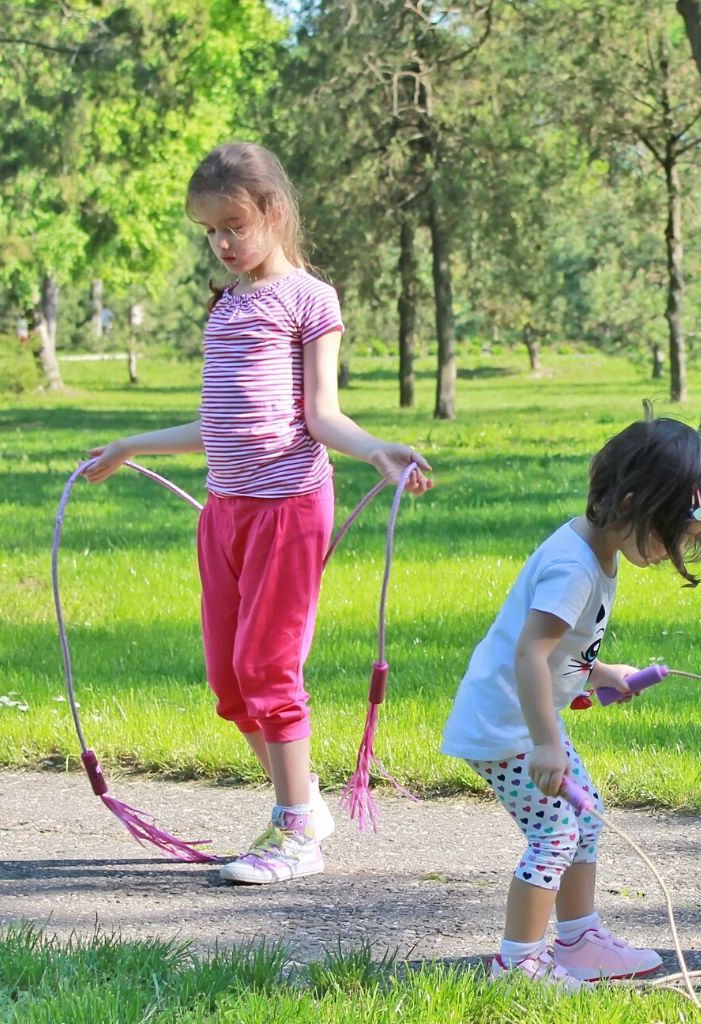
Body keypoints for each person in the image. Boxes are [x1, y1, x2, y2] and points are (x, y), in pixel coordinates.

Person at [84, 142, 432, 885]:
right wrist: (128, 446)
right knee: (229, 680)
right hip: (226, 512)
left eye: (234, 225)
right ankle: (300, 799)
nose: (222, 243)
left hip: (288, 509)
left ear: (274, 211)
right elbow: (218, 424)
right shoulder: (227, 306)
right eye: (210, 231)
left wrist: (376, 451)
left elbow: (321, 414)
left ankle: (297, 833)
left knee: (268, 667)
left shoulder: (311, 299)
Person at [441, 414, 701, 988]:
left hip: (526, 719)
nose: (679, 552)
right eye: (677, 536)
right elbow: (528, 655)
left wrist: (600, 673)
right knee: (555, 833)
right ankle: (516, 963)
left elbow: (557, 651)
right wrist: (548, 742)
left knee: (585, 816)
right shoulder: (573, 568)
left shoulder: (598, 550)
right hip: (507, 726)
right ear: (630, 504)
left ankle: (577, 941)